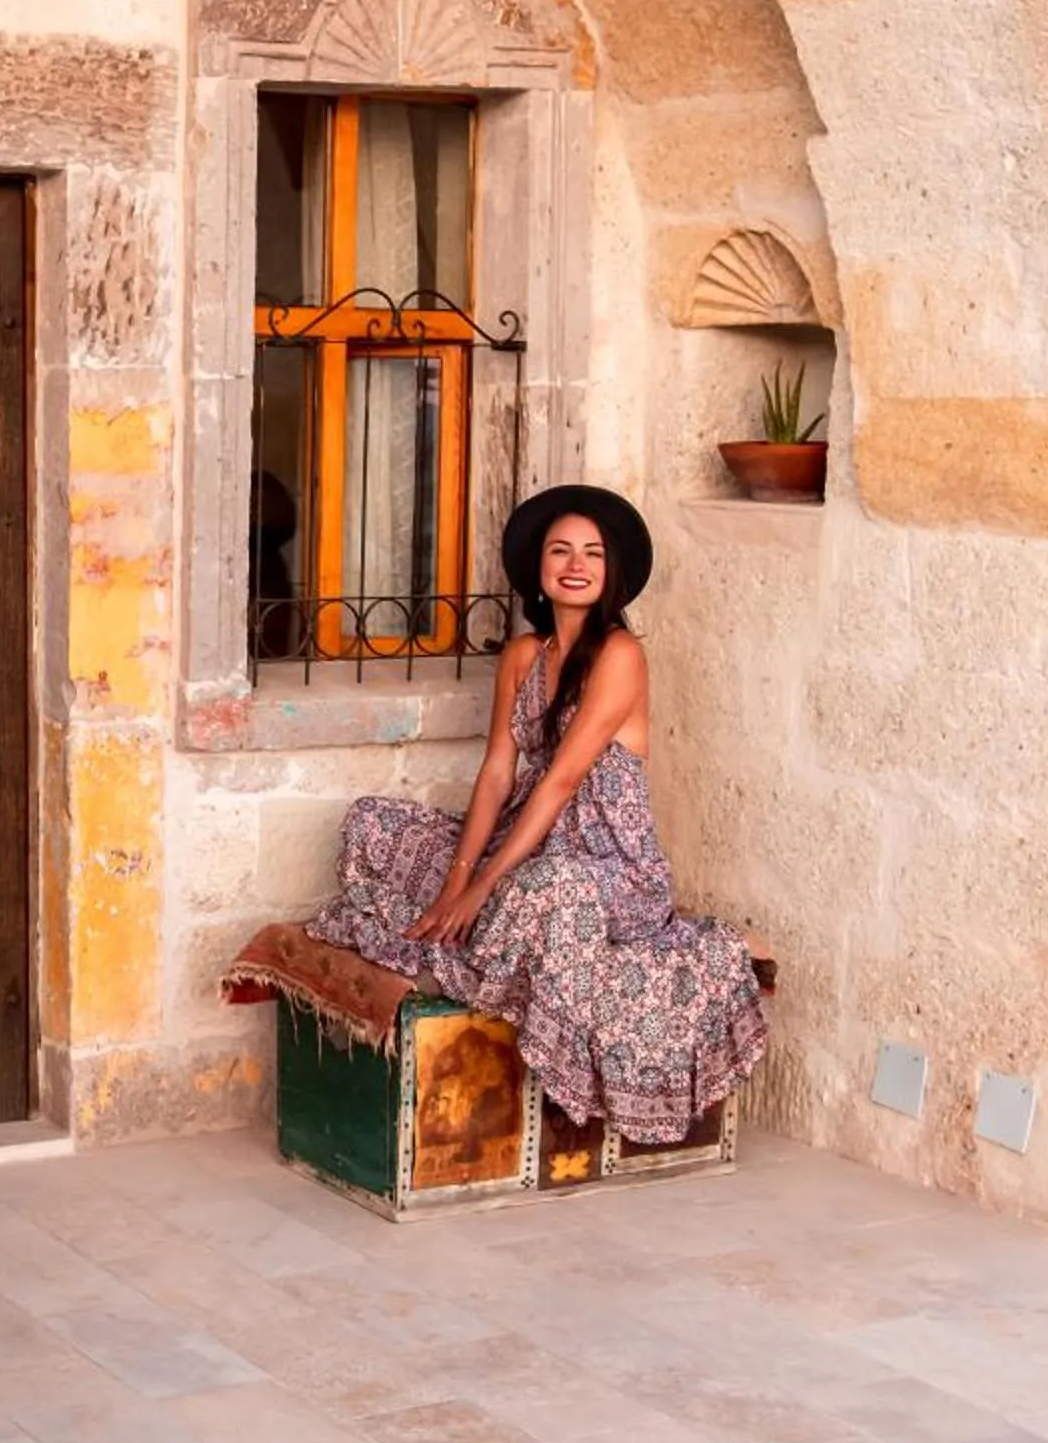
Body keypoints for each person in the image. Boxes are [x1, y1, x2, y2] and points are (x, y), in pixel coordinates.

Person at [304, 486, 765, 1143]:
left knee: (555, 888)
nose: (575, 565)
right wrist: (459, 874)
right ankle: (475, 930)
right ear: (540, 569)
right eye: (560, 551)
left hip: (607, 870)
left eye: (592, 554)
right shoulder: (523, 656)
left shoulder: (620, 655)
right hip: (522, 840)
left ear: (613, 574)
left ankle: (465, 945)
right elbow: (499, 770)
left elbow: (559, 782)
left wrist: (482, 886)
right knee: (373, 821)